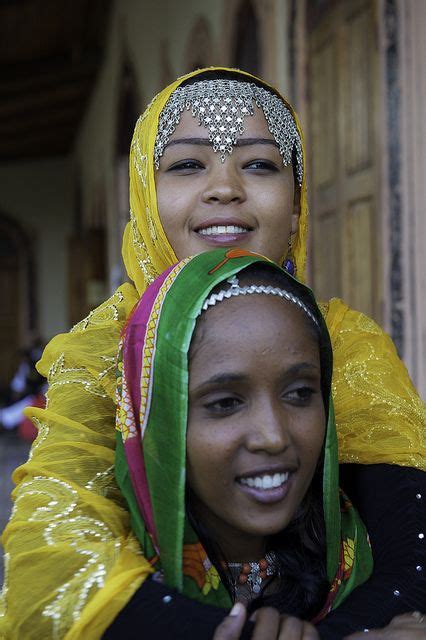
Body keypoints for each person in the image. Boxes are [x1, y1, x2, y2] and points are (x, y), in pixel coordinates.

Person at [0, 67, 424, 639]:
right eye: (187, 165)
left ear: (297, 204)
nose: (225, 187)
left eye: (258, 164)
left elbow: (413, 549)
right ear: (145, 201)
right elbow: (56, 568)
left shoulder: (347, 346)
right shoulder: (102, 353)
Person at [104, 248, 373, 639]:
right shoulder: (112, 593)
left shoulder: (377, 564)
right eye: (225, 403)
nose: (273, 436)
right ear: (159, 422)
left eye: (299, 393)